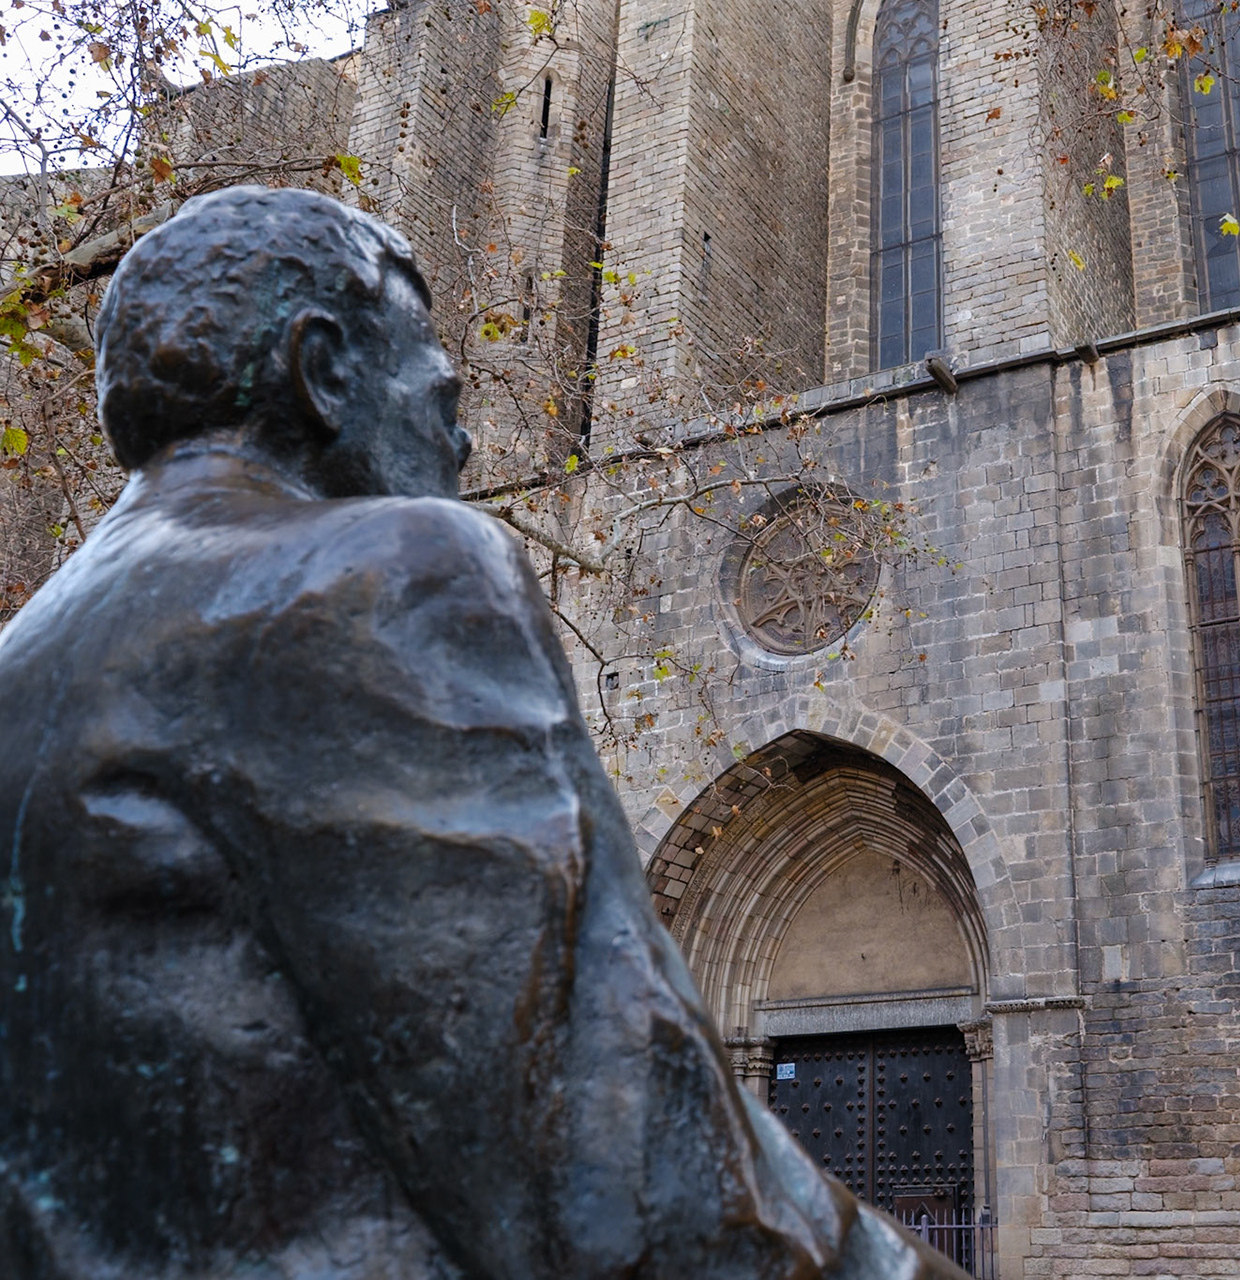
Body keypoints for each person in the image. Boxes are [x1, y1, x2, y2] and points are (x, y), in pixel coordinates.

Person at [0, 186, 965, 1280]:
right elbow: (618, 1156)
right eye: (438, 385)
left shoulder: (22, 663)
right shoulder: (383, 575)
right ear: (322, 372)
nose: (462, 437)